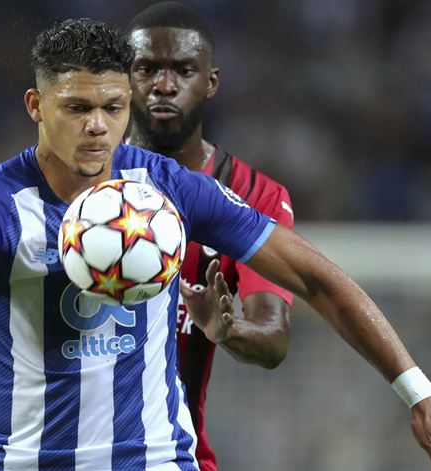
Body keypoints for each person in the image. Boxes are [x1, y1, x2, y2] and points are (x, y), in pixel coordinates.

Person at [0, 17, 431, 471]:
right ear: (36, 105)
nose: (98, 127)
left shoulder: (165, 190)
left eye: (113, 108)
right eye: (76, 107)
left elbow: (316, 279)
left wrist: (420, 395)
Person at [126, 4, 293, 470]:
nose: (164, 85)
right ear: (125, 77)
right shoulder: (84, 180)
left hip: (174, 457)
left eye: (182, 70)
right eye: (147, 69)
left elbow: (274, 335)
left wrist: (228, 328)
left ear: (211, 82)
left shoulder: (252, 194)